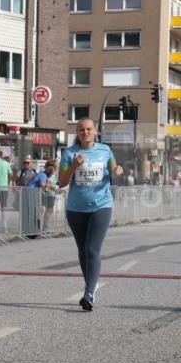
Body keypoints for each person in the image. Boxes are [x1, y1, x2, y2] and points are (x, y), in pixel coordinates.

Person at [58, 118, 123, 311]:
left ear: (95, 131)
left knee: (92, 249)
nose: (85, 132)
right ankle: (90, 287)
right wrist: (73, 167)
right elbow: (61, 182)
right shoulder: (69, 154)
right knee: (82, 250)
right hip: (76, 209)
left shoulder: (105, 150)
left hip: (101, 206)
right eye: (81, 130)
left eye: (89, 129)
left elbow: (114, 169)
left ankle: (89, 293)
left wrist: (118, 171)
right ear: (77, 133)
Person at [30, 160, 58, 233]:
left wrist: (51, 186)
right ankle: (38, 227)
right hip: (39, 194)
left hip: (43, 193)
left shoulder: (47, 174)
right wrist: (52, 187)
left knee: (46, 210)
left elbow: (46, 185)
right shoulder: (43, 175)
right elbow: (43, 185)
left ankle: (43, 227)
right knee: (42, 210)